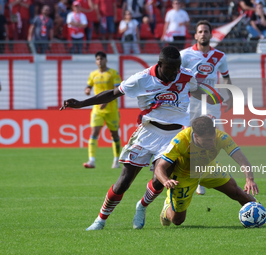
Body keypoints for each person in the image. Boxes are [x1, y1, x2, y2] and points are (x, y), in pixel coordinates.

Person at [60, 46, 216, 231]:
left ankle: (141, 206)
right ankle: (100, 220)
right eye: (171, 69)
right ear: (160, 64)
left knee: (160, 178)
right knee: (124, 180)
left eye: (177, 68)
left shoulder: (186, 75)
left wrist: (209, 110)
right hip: (148, 132)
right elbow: (113, 93)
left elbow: (198, 91)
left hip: (174, 136)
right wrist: (81, 103)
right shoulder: (141, 79)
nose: (175, 73)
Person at [156, 116, 266, 226]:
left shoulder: (221, 137)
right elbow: (160, 167)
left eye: (213, 138)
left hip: (209, 168)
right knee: (177, 220)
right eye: (208, 140)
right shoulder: (180, 141)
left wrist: (249, 179)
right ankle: (166, 209)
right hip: (184, 175)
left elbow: (242, 159)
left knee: (237, 192)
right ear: (196, 136)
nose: (212, 143)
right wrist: (166, 180)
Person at [180, 20, 233, 195]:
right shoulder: (185, 55)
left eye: (206, 31)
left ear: (211, 35)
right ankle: (191, 173)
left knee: (210, 137)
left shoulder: (220, 56)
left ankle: (201, 174)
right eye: (200, 31)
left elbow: (226, 77)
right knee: (190, 138)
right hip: (192, 101)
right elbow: (177, 77)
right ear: (195, 35)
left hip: (212, 102)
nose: (203, 34)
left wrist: (230, 95)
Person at [83, 51, 122, 169]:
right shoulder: (93, 74)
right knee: (94, 133)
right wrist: (87, 90)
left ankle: (116, 160)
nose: (100, 61)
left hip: (111, 109)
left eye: (102, 59)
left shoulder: (113, 73)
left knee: (114, 134)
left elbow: (117, 91)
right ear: (96, 61)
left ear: (106, 60)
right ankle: (91, 161)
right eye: (98, 59)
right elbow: (88, 85)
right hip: (97, 109)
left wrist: (106, 101)